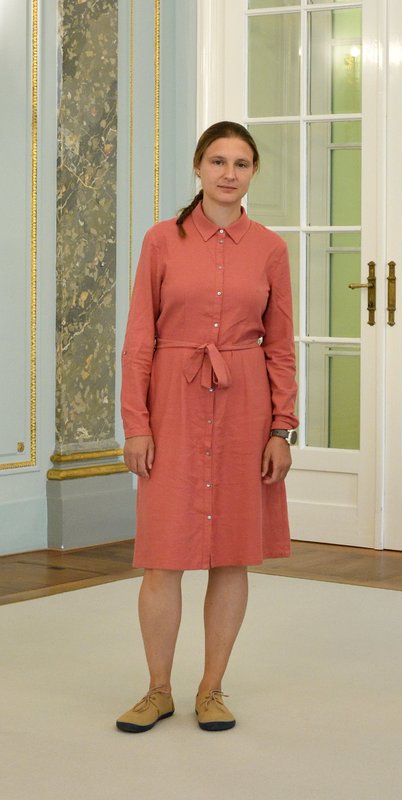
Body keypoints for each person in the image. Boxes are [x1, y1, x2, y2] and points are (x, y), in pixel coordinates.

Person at [116, 121, 297, 733]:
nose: (228, 173)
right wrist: (136, 424)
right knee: (162, 556)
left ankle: (212, 689)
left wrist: (282, 429)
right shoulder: (160, 241)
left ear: (253, 173)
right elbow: (138, 340)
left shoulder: (270, 248)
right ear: (198, 167)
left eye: (241, 163)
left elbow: (280, 346)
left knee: (232, 556)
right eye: (217, 161)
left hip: (246, 407)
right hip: (172, 405)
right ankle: (157, 690)